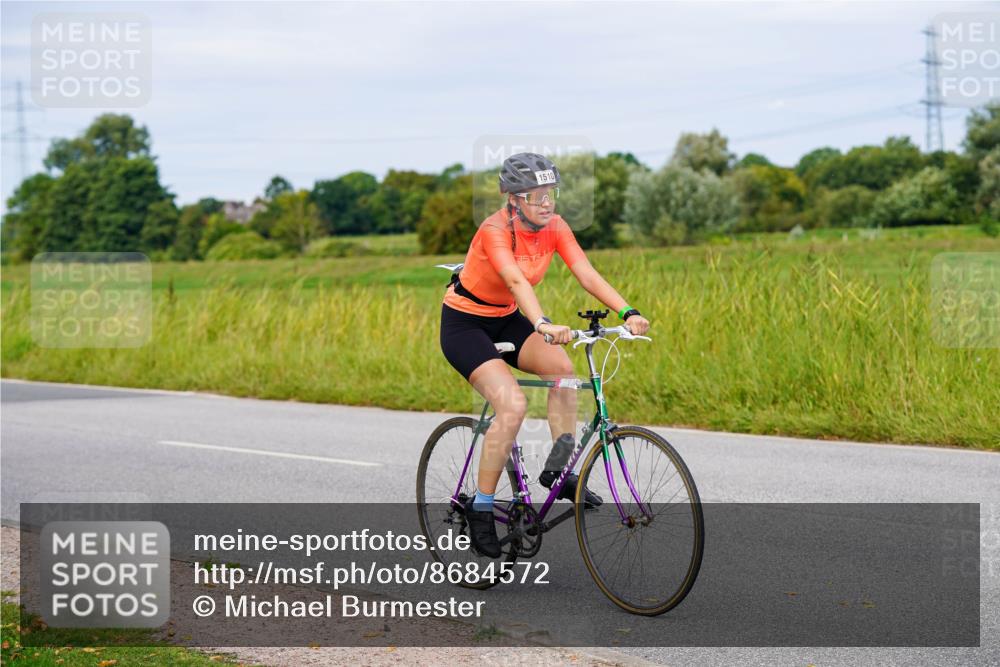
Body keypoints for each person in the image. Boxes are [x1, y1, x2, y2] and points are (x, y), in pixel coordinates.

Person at [439, 152, 650, 558]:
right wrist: (542, 323)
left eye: (550, 193)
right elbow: (515, 279)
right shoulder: (494, 229)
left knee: (563, 372)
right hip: (465, 325)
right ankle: (481, 506)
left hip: (506, 319)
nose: (547, 203)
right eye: (536, 196)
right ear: (514, 199)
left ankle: (558, 469)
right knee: (513, 406)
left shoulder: (555, 227)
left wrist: (628, 311)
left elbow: (585, 272)